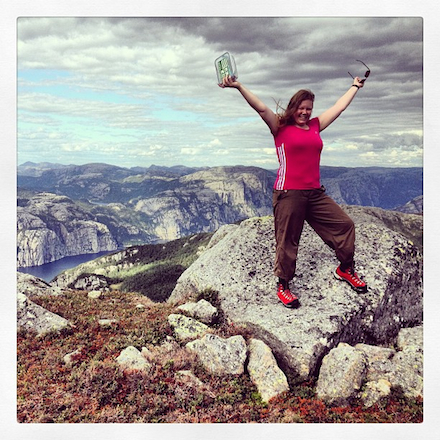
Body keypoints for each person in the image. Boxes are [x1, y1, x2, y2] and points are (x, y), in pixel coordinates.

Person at [220, 73, 368, 308]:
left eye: (309, 108)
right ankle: (283, 285)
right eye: (301, 108)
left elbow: (338, 108)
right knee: (288, 240)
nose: (305, 112)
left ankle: (345, 269)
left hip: (314, 193)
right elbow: (260, 108)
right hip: (289, 193)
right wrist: (238, 86)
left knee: (344, 225)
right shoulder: (279, 126)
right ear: (293, 107)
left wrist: (355, 87)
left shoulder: (316, 126)